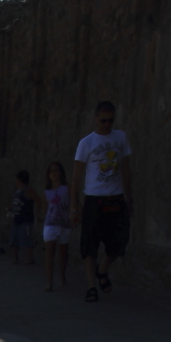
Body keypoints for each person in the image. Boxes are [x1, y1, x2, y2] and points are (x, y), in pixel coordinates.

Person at [71, 99, 133, 303]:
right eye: (103, 121)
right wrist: (75, 203)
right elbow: (77, 176)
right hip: (94, 199)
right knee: (89, 245)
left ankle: (103, 268)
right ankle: (91, 286)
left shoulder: (121, 138)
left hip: (115, 198)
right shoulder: (86, 143)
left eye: (110, 121)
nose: (107, 124)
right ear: (96, 119)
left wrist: (129, 197)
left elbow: (125, 168)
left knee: (120, 241)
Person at [41, 161, 71, 289]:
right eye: (51, 171)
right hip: (51, 223)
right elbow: (44, 208)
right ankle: (49, 282)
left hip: (64, 223)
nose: (53, 173)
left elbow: (75, 203)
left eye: (56, 170)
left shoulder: (67, 189)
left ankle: (62, 277)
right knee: (50, 252)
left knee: (63, 253)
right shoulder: (47, 192)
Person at [9, 170, 38, 264]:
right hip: (17, 219)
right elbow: (17, 203)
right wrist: (11, 208)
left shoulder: (28, 190)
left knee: (26, 239)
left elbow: (38, 200)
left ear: (19, 179)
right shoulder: (18, 191)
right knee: (14, 240)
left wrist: (38, 213)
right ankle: (15, 258)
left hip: (26, 219)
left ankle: (30, 258)